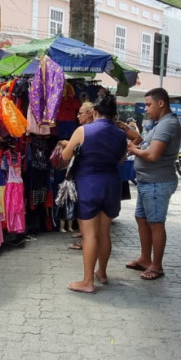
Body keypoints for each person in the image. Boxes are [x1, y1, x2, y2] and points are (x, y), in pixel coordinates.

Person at [61, 94, 128, 293]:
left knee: (89, 234)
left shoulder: (83, 131)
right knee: (104, 232)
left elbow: (65, 156)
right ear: (114, 114)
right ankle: (102, 273)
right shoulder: (120, 134)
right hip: (111, 183)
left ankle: (87, 281)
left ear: (95, 112)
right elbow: (122, 160)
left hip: (89, 183)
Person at [126, 88, 181, 280]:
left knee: (156, 223)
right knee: (142, 219)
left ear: (161, 103)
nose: (146, 109)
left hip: (157, 182)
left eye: (149, 105)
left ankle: (156, 266)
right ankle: (144, 258)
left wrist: (134, 150)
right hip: (147, 181)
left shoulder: (168, 125)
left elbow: (152, 154)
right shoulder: (159, 124)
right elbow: (146, 146)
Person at [67, 101, 96, 250]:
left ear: (91, 113)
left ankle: (86, 241)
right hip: (105, 178)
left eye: (80, 113)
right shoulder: (107, 131)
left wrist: (68, 145)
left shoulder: (83, 130)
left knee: (85, 212)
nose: (78, 116)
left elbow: (66, 155)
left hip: (86, 177)